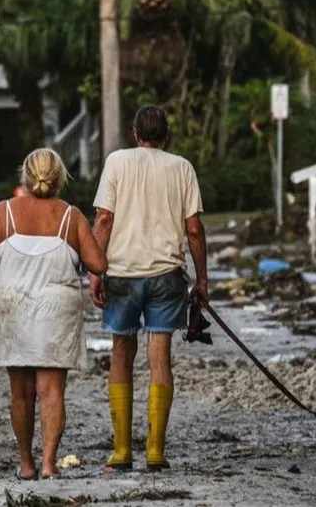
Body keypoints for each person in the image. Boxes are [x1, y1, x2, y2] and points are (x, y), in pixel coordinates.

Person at [0, 148, 107, 480]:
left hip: (13, 306)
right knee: (52, 391)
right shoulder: (71, 216)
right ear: (60, 177)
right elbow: (98, 265)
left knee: (20, 392)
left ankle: (26, 464)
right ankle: (50, 464)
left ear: (25, 174)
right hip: (56, 308)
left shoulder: (3, 212)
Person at [90, 105, 208, 472]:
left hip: (122, 274)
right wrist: (202, 279)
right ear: (167, 135)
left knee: (121, 354)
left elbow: (104, 219)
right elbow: (193, 229)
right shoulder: (182, 168)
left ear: (134, 132)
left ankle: (121, 452)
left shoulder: (117, 162)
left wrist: (95, 270)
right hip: (166, 275)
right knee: (160, 358)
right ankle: (155, 451)